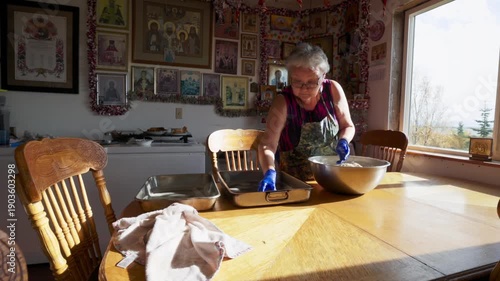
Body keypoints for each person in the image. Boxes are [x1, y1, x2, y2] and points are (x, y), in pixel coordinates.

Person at [257, 43, 355, 191]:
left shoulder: (333, 90)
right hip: (295, 184)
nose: (304, 88)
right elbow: (267, 145)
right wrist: (270, 172)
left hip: (332, 179)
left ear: (323, 77)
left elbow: (348, 126)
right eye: (297, 82)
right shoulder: (283, 102)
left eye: (311, 82)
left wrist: (344, 141)